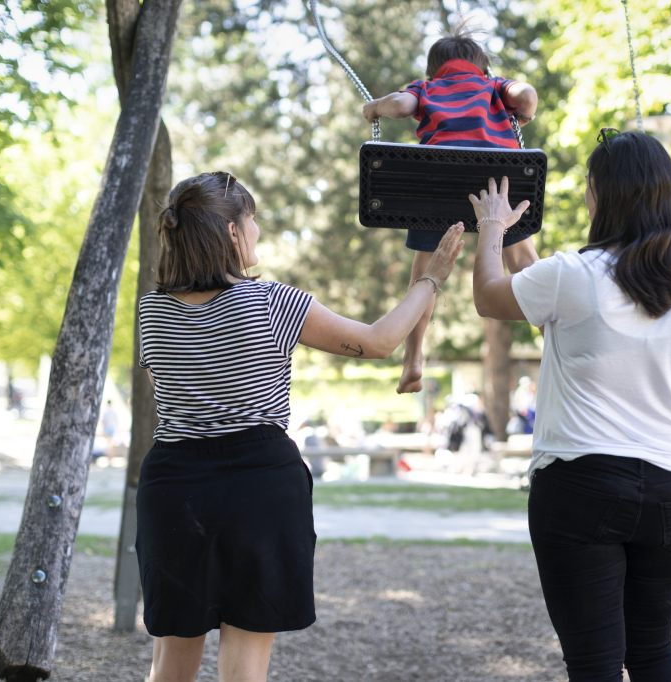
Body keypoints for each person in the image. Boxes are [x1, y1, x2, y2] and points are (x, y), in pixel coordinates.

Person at [135, 171, 463, 682]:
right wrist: (431, 278)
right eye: (254, 220)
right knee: (245, 659)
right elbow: (379, 341)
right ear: (231, 233)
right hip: (258, 484)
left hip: (173, 487)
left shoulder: (151, 309)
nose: (259, 231)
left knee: (171, 661)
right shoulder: (270, 302)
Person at [469, 130, 671, 681]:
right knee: (653, 651)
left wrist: (492, 227)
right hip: (670, 491)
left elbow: (488, 295)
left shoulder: (572, 274)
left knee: (593, 663)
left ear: (601, 197)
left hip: (578, 488)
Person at [362, 23, 539, 394]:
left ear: (432, 70)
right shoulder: (494, 85)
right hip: (497, 180)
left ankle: (413, 357)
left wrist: (373, 108)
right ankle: (555, 329)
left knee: (424, 277)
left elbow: (398, 105)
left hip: (437, 183)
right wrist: (524, 113)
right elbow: (526, 95)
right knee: (523, 259)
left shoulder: (425, 89)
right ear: (482, 67)